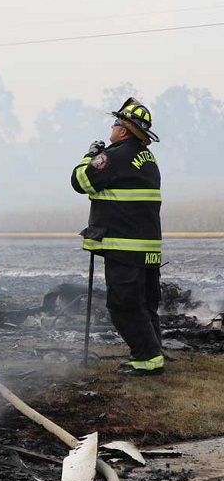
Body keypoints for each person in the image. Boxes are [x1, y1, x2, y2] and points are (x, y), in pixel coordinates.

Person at [71, 97, 163, 376]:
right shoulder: (147, 158)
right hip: (147, 246)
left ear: (123, 130)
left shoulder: (116, 155)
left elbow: (80, 181)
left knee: (123, 305)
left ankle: (147, 359)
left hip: (123, 245)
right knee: (146, 304)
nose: (111, 127)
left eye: (115, 122)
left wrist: (90, 155)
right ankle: (154, 351)